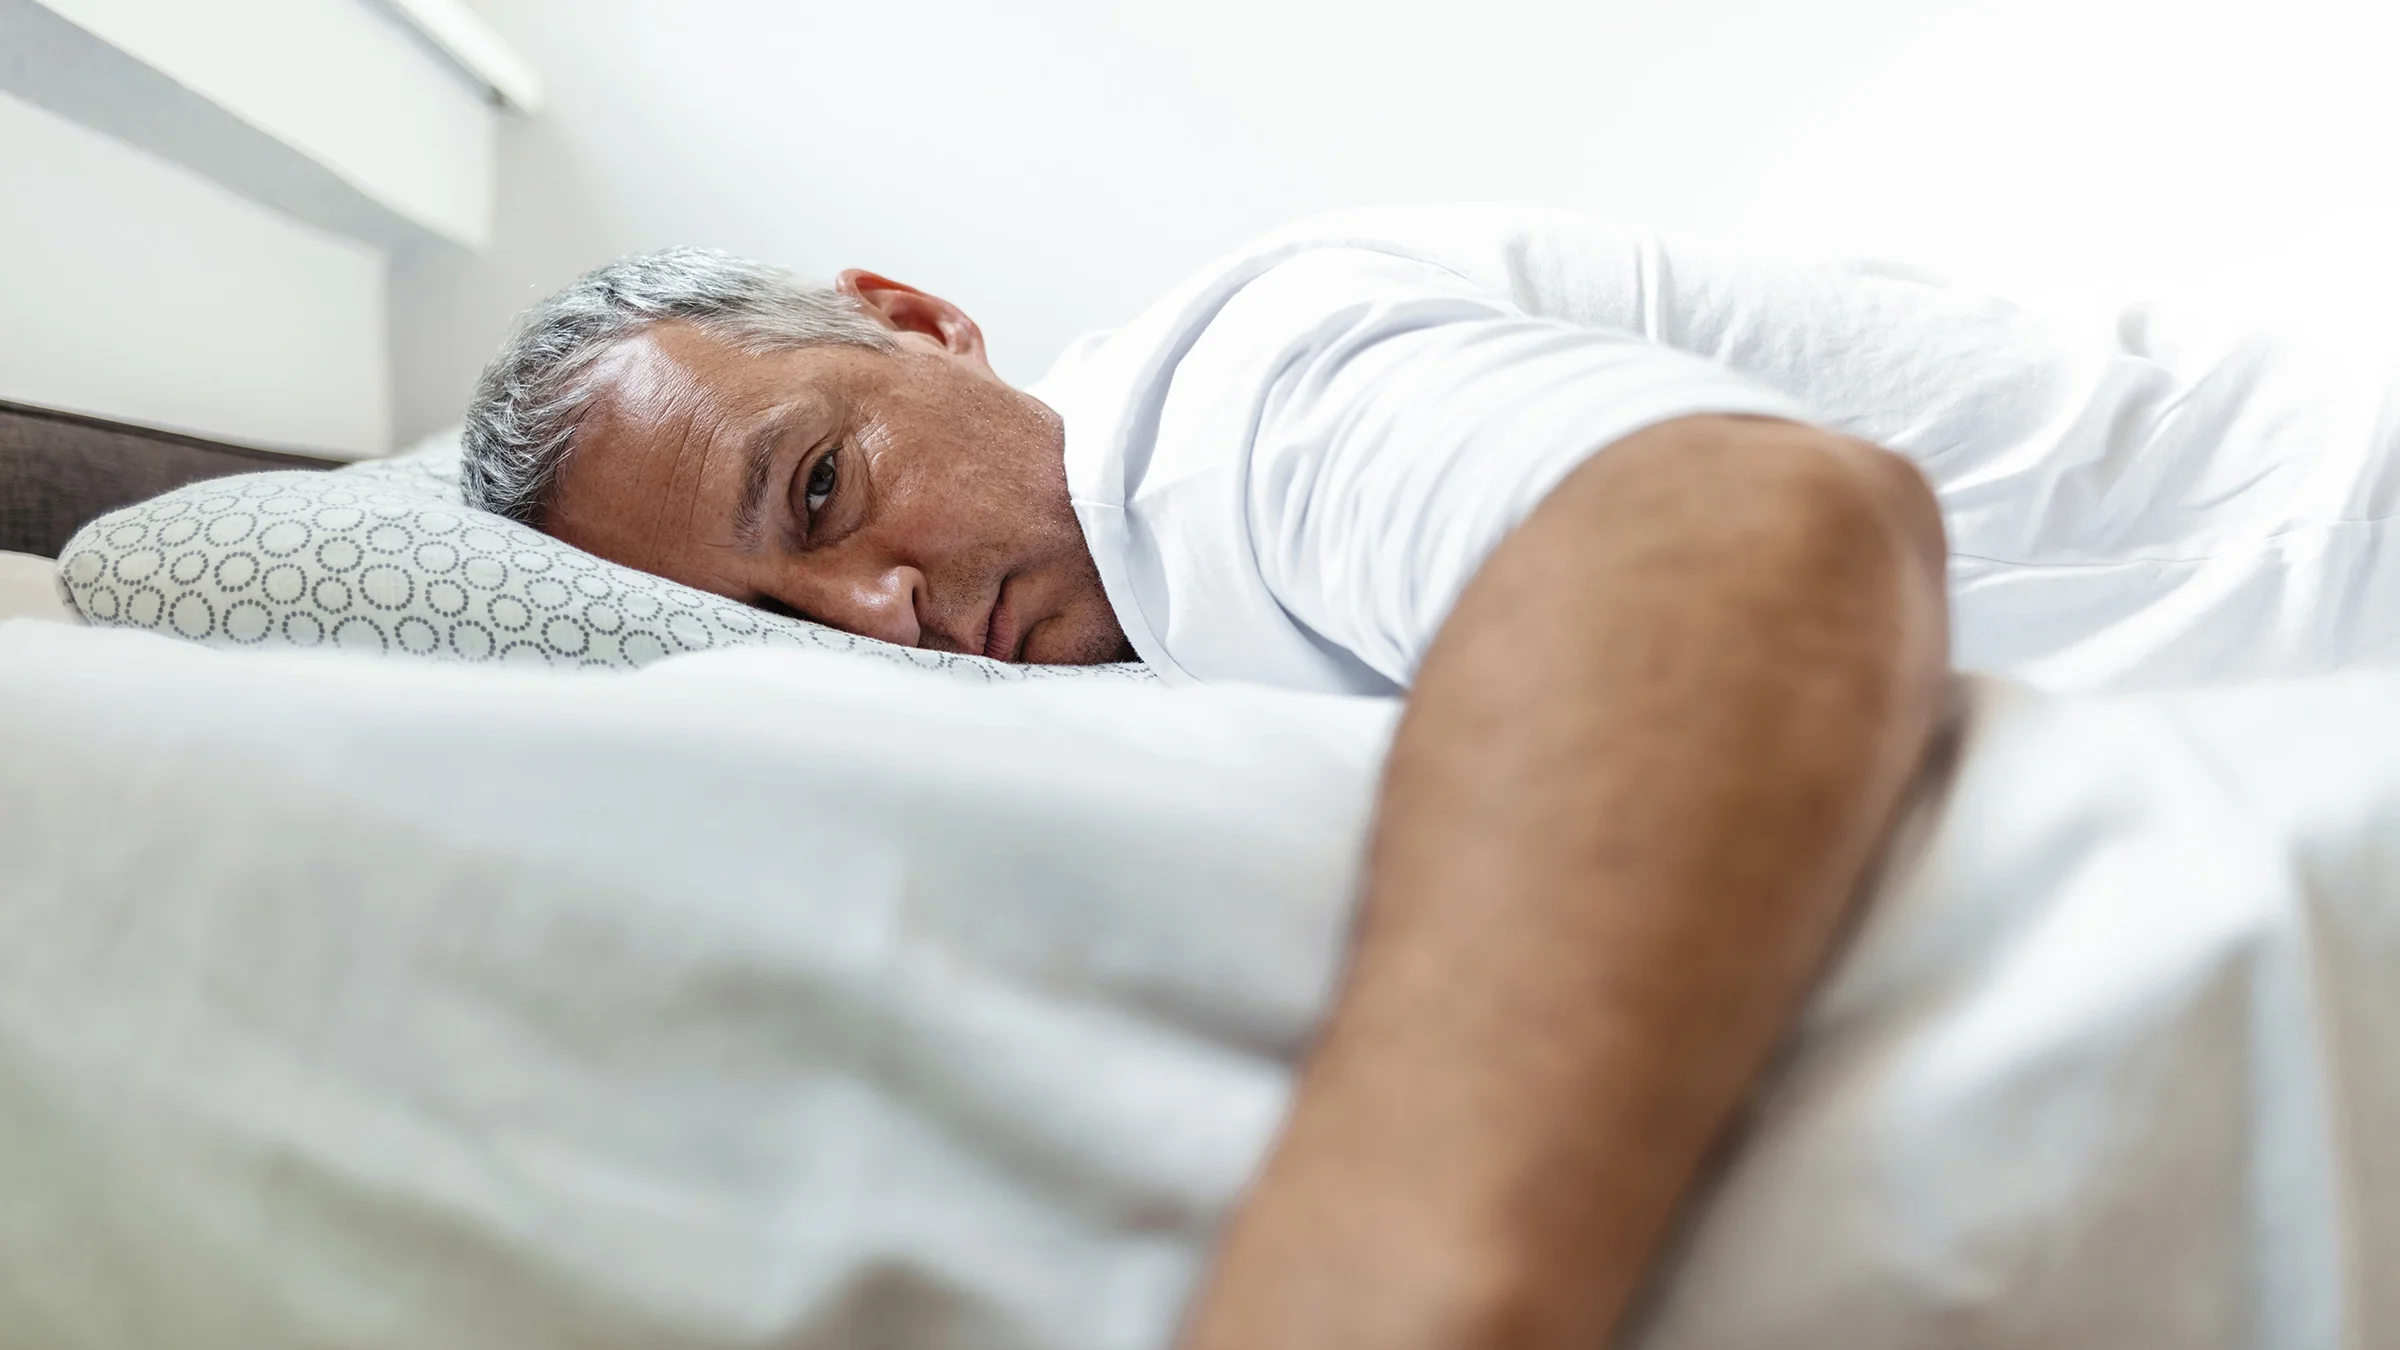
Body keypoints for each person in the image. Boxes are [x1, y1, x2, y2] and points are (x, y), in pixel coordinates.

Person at [456, 205, 2400, 1349]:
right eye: (785, 622)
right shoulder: (1130, 660)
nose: (877, 615)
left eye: (821, 486)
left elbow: (1741, 531)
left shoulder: (1226, 407)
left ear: (913, 322)